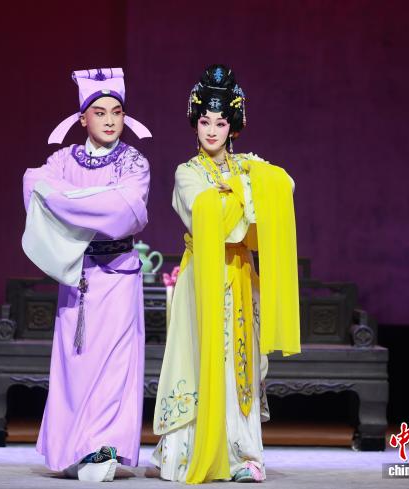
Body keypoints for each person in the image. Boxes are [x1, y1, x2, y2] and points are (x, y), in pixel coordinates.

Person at [151, 64, 301, 484]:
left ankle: (242, 454)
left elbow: (284, 187)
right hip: (202, 276)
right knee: (198, 359)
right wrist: (244, 193)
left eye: (220, 122)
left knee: (241, 364)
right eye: (205, 122)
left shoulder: (250, 165)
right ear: (195, 123)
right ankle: (187, 453)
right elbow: (207, 216)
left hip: (239, 274)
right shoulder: (187, 172)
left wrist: (234, 190)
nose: (212, 131)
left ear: (233, 125)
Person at [21, 68, 151, 482]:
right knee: (74, 365)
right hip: (77, 275)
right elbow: (34, 185)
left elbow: (123, 212)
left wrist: (68, 202)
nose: (110, 120)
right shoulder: (62, 160)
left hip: (118, 274)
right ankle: (73, 446)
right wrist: (93, 199)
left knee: (114, 364)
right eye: (99, 112)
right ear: (82, 118)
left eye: (117, 112)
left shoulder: (134, 162)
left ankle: (103, 448)